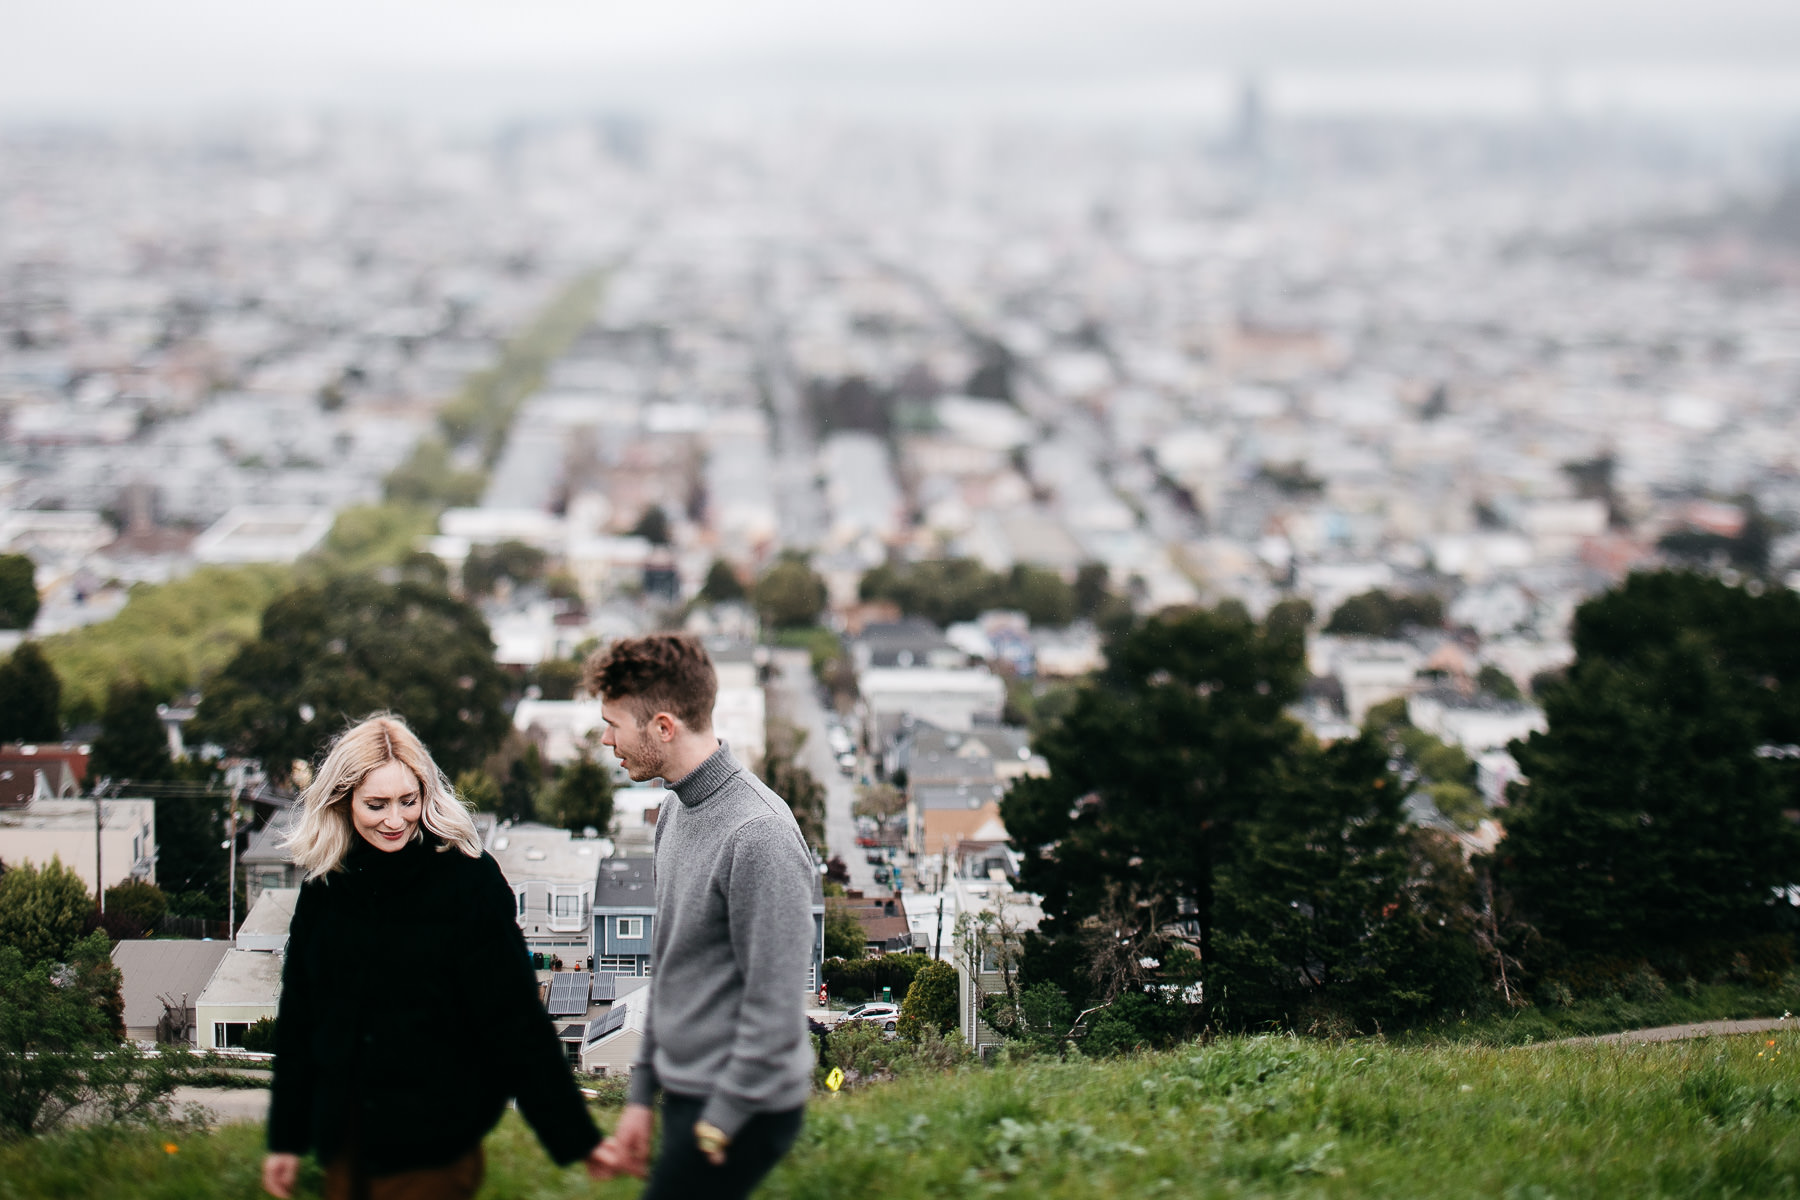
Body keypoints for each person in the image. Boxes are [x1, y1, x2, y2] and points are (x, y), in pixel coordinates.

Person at [262, 713, 610, 1200]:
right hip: (345, 1144)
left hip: (432, 1147)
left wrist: (573, 1134)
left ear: (427, 794)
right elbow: (301, 1016)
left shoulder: (467, 882)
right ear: (343, 800)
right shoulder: (326, 887)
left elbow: (514, 1019)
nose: (395, 820)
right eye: (376, 805)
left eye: (408, 801)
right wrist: (286, 1139)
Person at [585, 634, 816, 1198]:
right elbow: (669, 971)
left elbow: (777, 1005)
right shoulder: (675, 811)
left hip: (747, 1103)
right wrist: (642, 1098)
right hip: (691, 1091)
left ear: (664, 727)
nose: (606, 738)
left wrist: (718, 1122)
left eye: (613, 724)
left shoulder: (759, 834)